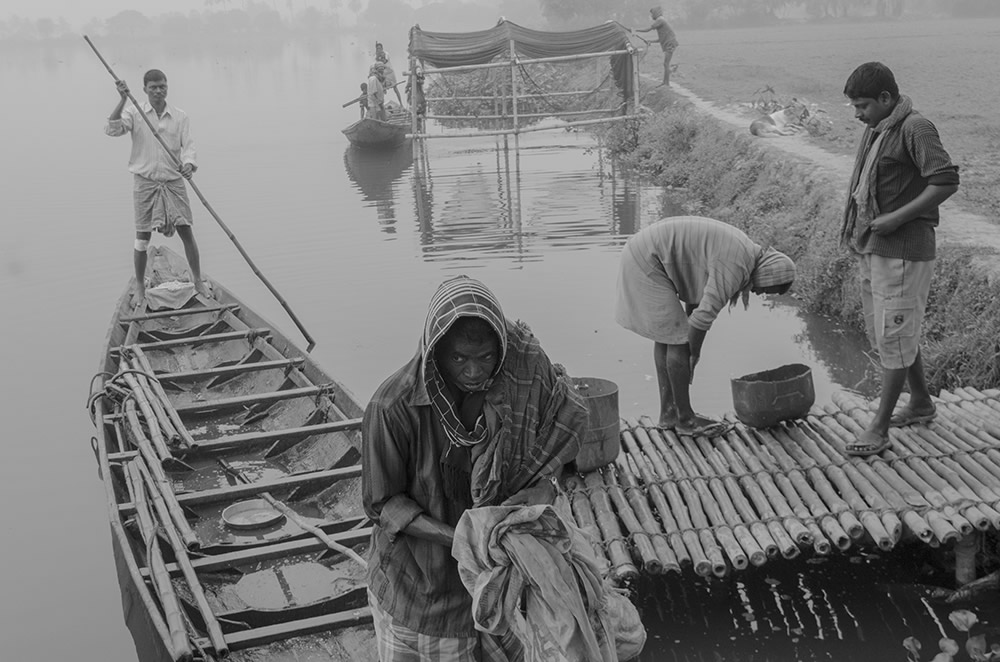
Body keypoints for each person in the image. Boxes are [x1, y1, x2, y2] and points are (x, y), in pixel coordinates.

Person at [362, 275, 587, 661]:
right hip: (423, 591)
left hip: (497, 584)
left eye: (484, 357)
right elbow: (383, 504)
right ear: (436, 350)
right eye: (459, 358)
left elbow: (556, 446)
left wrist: (546, 485)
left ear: (500, 348)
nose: (473, 372)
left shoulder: (519, 383)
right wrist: (465, 539)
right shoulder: (392, 406)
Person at [839, 62, 959, 457]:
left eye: (863, 106)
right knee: (893, 331)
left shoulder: (914, 128)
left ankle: (879, 427)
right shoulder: (879, 129)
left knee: (894, 332)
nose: (857, 114)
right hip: (877, 247)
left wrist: (895, 217)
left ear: (886, 99)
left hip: (904, 251)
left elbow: (945, 179)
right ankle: (921, 402)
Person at [615, 216, 796, 436]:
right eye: (767, 289)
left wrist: (691, 348)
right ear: (769, 274)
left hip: (643, 253)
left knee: (669, 337)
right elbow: (702, 318)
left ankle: (669, 414)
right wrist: (693, 353)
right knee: (678, 342)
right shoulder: (737, 264)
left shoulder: (744, 253)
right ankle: (686, 420)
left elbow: (697, 299)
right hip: (647, 261)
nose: (760, 293)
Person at [105, 69, 207, 307]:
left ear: (167, 87)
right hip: (146, 183)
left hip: (173, 182)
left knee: (186, 230)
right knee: (142, 237)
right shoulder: (135, 112)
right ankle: (140, 287)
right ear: (145, 90)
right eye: (153, 87)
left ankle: (198, 280)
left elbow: (189, 146)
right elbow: (113, 129)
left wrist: (189, 165)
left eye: (162, 86)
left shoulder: (180, 116)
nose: (159, 91)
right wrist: (121, 99)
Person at [634, 6, 679, 87]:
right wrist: (650, 41)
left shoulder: (660, 20)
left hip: (670, 44)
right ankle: (665, 82)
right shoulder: (661, 21)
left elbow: (648, 29)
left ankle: (666, 83)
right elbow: (660, 39)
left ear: (655, 13)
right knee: (666, 64)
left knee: (666, 64)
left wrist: (635, 30)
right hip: (669, 43)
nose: (651, 16)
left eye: (652, 14)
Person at [374, 41, 404, 107]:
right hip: (383, 74)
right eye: (377, 49)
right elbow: (377, 66)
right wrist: (377, 57)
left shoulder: (386, 54)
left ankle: (401, 103)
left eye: (380, 48)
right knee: (381, 89)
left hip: (390, 72)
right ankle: (381, 105)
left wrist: (379, 57)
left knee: (395, 88)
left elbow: (384, 61)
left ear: (382, 48)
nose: (379, 50)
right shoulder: (376, 57)